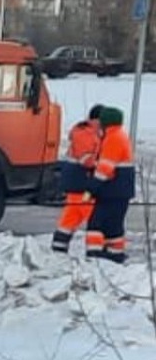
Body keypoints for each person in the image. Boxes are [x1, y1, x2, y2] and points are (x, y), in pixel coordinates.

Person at [85, 106, 136, 263]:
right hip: (120, 191)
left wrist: (92, 188)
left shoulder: (112, 138)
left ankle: (94, 256)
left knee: (96, 223)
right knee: (113, 226)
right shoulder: (119, 135)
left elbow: (105, 169)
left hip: (112, 190)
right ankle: (115, 254)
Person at [51, 104, 103, 253]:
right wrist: (103, 164)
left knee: (70, 218)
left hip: (77, 184)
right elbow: (86, 160)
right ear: (97, 120)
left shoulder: (87, 132)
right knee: (95, 219)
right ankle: (97, 251)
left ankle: (59, 247)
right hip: (82, 184)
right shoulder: (86, 133)